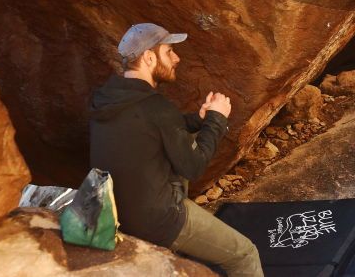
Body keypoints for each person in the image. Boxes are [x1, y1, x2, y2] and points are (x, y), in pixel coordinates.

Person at [89, 23, 263, 277]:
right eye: (169, 51)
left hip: (113, 214)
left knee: (183, 137)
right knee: (245, 254)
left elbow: (153, 128)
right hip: (157, 221)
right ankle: (179, 241)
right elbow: (193, 167)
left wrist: (200, 119)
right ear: (149, 58)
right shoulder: (156, 107)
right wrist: (217, 120)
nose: (176, 58)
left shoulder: (105, 99)